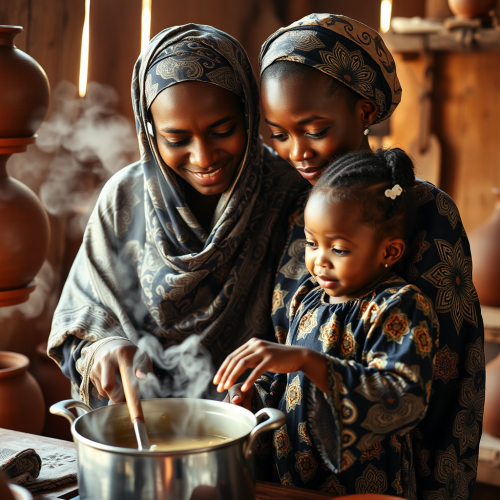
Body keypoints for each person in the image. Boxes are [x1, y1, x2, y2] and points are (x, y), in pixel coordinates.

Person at [225, 13, 484, 500]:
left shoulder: (425, 211)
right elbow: (290, 337)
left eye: (313, 129)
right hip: (298, 474)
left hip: (386, 478)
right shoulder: (299, 211)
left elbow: (443, 380)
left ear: (365, 110)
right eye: (279, 134)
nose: (296, 152)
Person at [47, 25, 306, 407]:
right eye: (177, 140)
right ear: (150, 133)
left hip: (249, 438)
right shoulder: (124, 199)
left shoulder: (290, 197)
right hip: (135, 433)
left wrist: (260, 391)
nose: (203, 158)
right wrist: (106, 347)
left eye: (223, 130)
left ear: (249, 114)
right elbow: (78, 322)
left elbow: (314, 333)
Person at [215, 147, 441, 497]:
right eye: (311, 242)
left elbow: (404, 397)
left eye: (339, 249)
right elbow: (284, 382)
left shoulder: (400, 306)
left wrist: (309, 362)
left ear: (389, 252)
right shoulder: (307, 297)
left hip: (364, 486)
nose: (319, 261)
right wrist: (249, 400)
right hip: (292, 479)